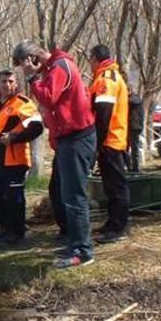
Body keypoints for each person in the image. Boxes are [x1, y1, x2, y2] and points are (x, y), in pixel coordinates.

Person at [13, 40, 96, 269]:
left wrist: (32, 78)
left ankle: (83, 250)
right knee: (64, 193)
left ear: (33, 58)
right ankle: (74, 241)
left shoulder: (60, 67)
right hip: (67, 139)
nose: (26, 70)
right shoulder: (53, 68)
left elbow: (48, 97)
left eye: (25, 64)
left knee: (74, 196)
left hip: (77, 138)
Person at [0, 69, 43, 244]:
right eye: (4, 81)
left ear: (15, 84)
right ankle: (5, 228)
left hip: (14, 161)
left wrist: (14, 138)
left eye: (11, 81)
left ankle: (17, 233)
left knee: (14, 197)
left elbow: (37, 127)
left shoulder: (22, 103)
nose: (7, 85)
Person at [88, 45, 130, 244]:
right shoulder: (108, 75)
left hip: (110, 140)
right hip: (112, 139)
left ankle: (119, 227)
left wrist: (96, 143)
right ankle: (113, 222)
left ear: (95, 58)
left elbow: (103, 112)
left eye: (90, 59)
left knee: (116, 187)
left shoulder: (106, 79)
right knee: (110, 186)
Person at [127, 91, 144, 172]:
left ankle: (135, 168)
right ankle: (128, 165)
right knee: (126, 148)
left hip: (134, 127)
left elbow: (133, 101)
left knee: (134, 148)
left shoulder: (135, 99)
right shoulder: (131, 100)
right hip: (129, 126)